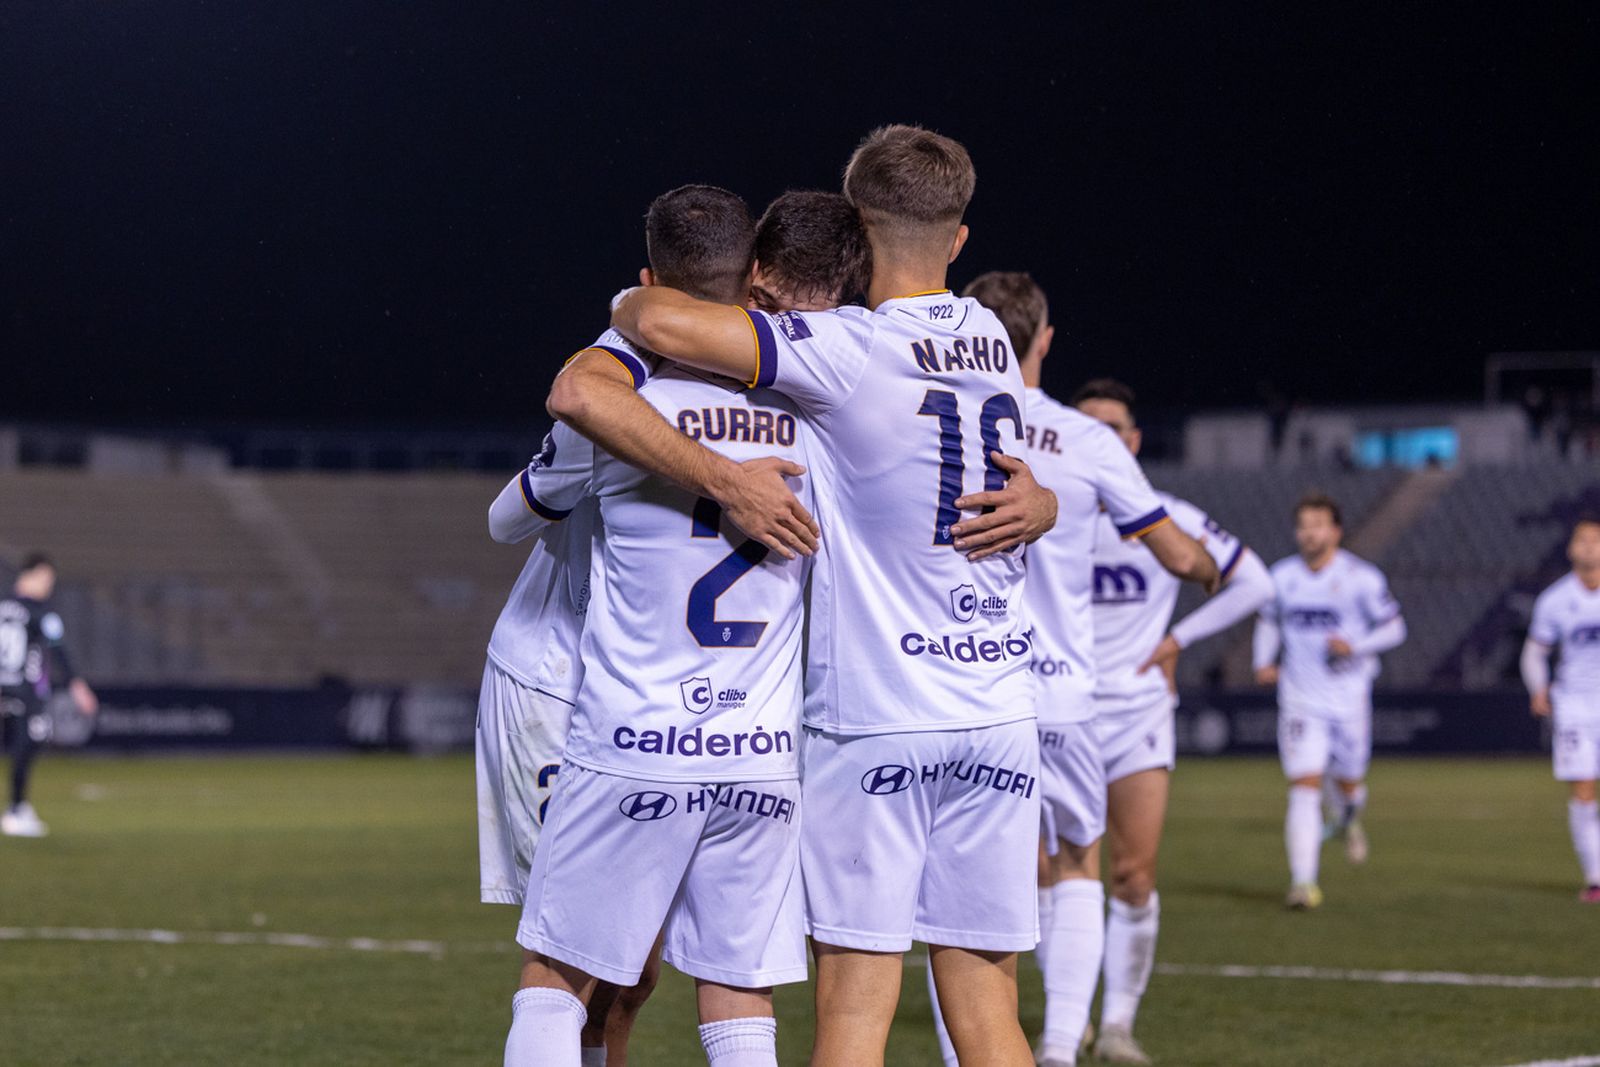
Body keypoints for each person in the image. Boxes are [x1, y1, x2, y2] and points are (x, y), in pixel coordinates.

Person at [551, 126, 1059, 1066]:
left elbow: (652, 319)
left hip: (880, 717)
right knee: (989, 1014)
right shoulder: (989, 335)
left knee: (854, 1014)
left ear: (858, 227)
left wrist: (649, 286)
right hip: (999, 712)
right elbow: (1000, 471)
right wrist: (1050, 501)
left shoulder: (843, 347)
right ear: (958, 239)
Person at [923, 277, 1219, 1067]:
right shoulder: (1085, 440)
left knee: (965, 883)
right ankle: (1055, 1048)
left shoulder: (932, 419)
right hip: (1062, 693)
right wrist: (1208, 572)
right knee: (1078, 862)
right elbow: (1175, 550)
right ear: (1043, 342)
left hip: (963, 686)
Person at [1074, 378, 1274, 1063]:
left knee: (1133, 872)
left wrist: (1179, 641)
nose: (1101, 434)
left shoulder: (1166, 514)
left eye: (1114, 426)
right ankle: (1069, 1021)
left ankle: (1119, 1025)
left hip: (1136, 714)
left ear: (1132, 440)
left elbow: (1255, 581)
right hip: (1055, 713)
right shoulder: (1045, 510)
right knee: (1058, 874)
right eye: (1087, 422)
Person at [1252, 493, 1407, 909]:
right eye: (1303, 524)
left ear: (1336, 531)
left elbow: (1395, 628)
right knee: (1303, 787)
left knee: (1350, 784)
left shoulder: (1361, 578)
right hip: (1300, 699)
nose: (1309, 532)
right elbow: (1268, 622)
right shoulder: (1282, 577)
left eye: (1318, 524)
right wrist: (1262, 661)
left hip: (1349, 700)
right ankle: (1303, 883)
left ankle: (1349, 821)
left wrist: (1355, 645)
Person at [1520, 516, 1600, 903]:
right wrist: (1539, 689)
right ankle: (1595, 878)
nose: (1587, 546)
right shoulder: (1555, 599)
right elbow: (1535, 653)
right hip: (1575, 707)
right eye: (1581, 539)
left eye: (1594, 540)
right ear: (1570, 548)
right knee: (1583, 790)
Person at [0, 553, 98, 838]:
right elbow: (59, 650)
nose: (48, 587)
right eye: (45, 579)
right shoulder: (42, 612)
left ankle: (18, 807)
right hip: (25, 689)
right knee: (30, 740)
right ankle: (16, 809)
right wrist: (77, 687)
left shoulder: (3, 605)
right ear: (30, 575)